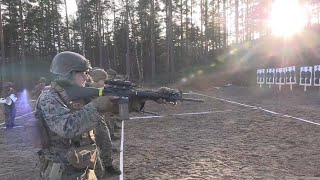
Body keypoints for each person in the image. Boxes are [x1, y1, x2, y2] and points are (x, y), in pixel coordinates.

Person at [35, 51, 119, 179]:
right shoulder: (49, 97)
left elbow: (114, 105)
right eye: (83, 73)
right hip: (62, 170)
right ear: (69, 74)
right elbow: (67, 127)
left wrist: (144, 98)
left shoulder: (79, 93)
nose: (87, 77)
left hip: (85, 163)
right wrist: (96, 106)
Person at [90, 68, 122, 175]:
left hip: (97, 119)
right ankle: (107, 167)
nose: (105, 82)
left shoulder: (98, 88)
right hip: (95, 121)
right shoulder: (92, 90)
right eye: (103, 80)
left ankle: (104, 166)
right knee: (105, 142)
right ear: (97, 79)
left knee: (102, 143)